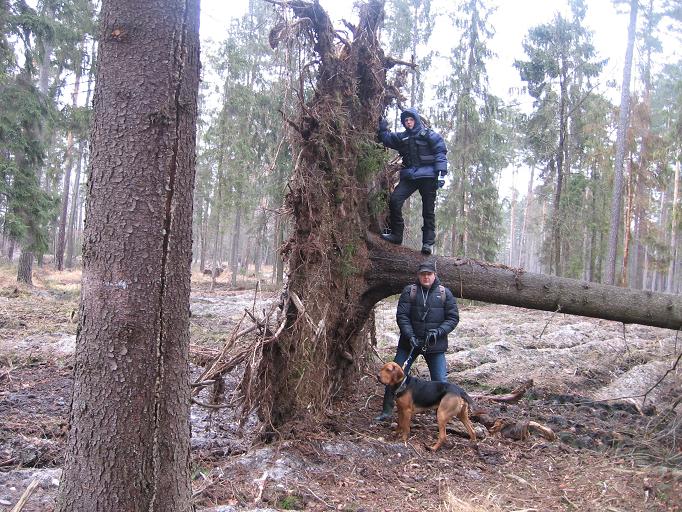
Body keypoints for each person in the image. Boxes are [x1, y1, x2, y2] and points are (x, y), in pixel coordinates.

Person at [375, 259, 460, 422]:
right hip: (409, 345)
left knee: (440, 381)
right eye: (423, 274)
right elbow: (402, 316)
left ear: (435, 275)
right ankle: (386, 411)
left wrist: (438, 332)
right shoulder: (409, 291)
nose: (426, 277)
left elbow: (453, 318)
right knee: (392, 377)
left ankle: (443, 415)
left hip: (434, 346)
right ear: (418, 275)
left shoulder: (444, 293)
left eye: (429, 274)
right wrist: (410, 335)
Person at [378, 108, 448, 255]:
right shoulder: (402, 137)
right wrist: (382, 127)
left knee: (428, 211)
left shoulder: (428, 134)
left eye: (410, 120)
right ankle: (397, 235)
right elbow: (387, 138)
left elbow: (440, 151)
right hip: (410, 176)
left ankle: (427, 243)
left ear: (416, 120)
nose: (408, 123)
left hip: (428, 177)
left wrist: (441, 174)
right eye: (406, 121)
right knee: (395, 200)